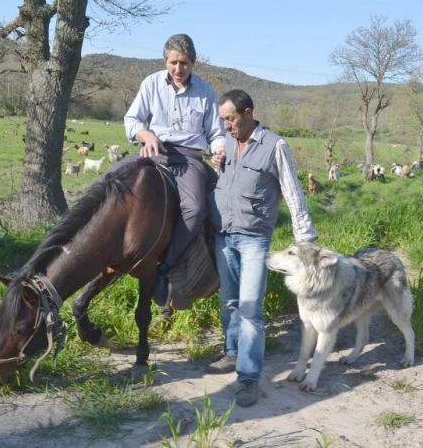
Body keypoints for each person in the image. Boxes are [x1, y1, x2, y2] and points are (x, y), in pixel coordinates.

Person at [207, 89, 317, 407]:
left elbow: (292, 191)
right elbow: (227, 184)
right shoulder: (226, 144)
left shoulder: (275, 145)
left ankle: (249, 378)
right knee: (228, 301)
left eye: (230, 119)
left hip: (255, 239)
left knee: (250, 307)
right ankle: (232, 353)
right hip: (224, 235)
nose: (226, 125)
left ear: (247, 112)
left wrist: (305, 237)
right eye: (223, 120)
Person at [124, 34, 226, 307]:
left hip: (188, 157)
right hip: (154, 151)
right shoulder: (151, 83)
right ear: (165, 60)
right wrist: (146, 136)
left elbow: (216, 132)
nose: (178, 69)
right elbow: (132, 120)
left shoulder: (206, 92)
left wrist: (219, 148)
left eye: (184, 63)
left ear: (193, 62)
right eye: (173, 62)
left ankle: (167, 267)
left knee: (194, 208)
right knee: (112, 187)